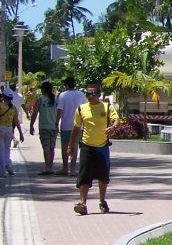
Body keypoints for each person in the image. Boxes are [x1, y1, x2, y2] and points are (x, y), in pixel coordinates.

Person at [69, 83, 119, 215]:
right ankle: (83, 204)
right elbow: (76, 128)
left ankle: (102, 201)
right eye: (88, 94)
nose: (90, 96)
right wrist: (70, 146)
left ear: (99, 95)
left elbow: (116, 120)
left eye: (93, 94)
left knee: (103, 176)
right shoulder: (81, 109)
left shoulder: (107, 107)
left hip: (102, 146)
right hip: (86, 146)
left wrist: (113, 127)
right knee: (84, 176)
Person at [56, 76, 87, 177]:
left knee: (65, 147)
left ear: (67, 85)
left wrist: (56, 123)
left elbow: (60, 111)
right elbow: (85, 109)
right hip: (78, 125)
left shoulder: (63, 95)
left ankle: (65, 168)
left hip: (65, 125)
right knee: (74, 146)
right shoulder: (81, 94)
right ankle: (73, 169)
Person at [28, 81, 59, 175]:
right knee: (52, 147)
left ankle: (47, 168)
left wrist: (31, 125)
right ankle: (50, 166)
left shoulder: (41, 99)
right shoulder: (55, 99)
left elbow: (35, 113)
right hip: (54, 126)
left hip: (44, 126)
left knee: (46, 147)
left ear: (44, 89)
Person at [0, 93, 24, 176]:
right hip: (9, 130)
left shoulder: (1, 106)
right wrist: (21, 133)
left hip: (1, 128)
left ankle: (2, 170)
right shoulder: (13, 108)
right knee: (7, 149)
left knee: (1, 150)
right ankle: (8, 165)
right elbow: (16, 122)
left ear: (4, 97)